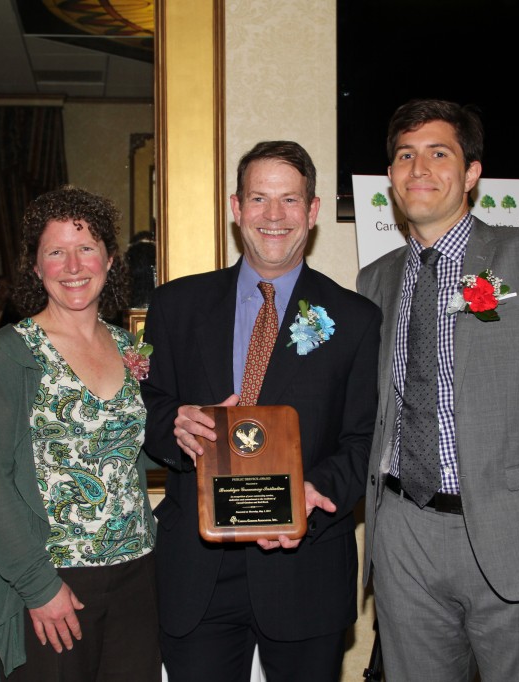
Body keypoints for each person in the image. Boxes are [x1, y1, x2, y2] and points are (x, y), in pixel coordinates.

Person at [356, 99, 519, 682]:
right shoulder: (375, 281)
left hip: (518, 535)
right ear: (391, 177)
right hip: (403, 536)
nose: (418, 168)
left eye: (438, 153)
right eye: (404, 155)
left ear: (471, 173)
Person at [140, 141, 381, 682]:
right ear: (236, 208)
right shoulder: (176, 306)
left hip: (305, 565)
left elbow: (365, 438)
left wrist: (314, 492)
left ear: (313, 211)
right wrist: (173, 424)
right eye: (259, 199)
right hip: (196, 574)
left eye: (290, 200)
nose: (274, 216)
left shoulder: (356, 318)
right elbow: (149, 412)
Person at [0, 186, 159, 681]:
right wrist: (38, 586)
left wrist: (203, 429)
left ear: (110, 260)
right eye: (56, 252)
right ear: (35, 267)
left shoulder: (129, 345)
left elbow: (132, 452)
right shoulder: (9, 354)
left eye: (86, 248)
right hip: (55, 583)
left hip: (138, 575)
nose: (73, 266)